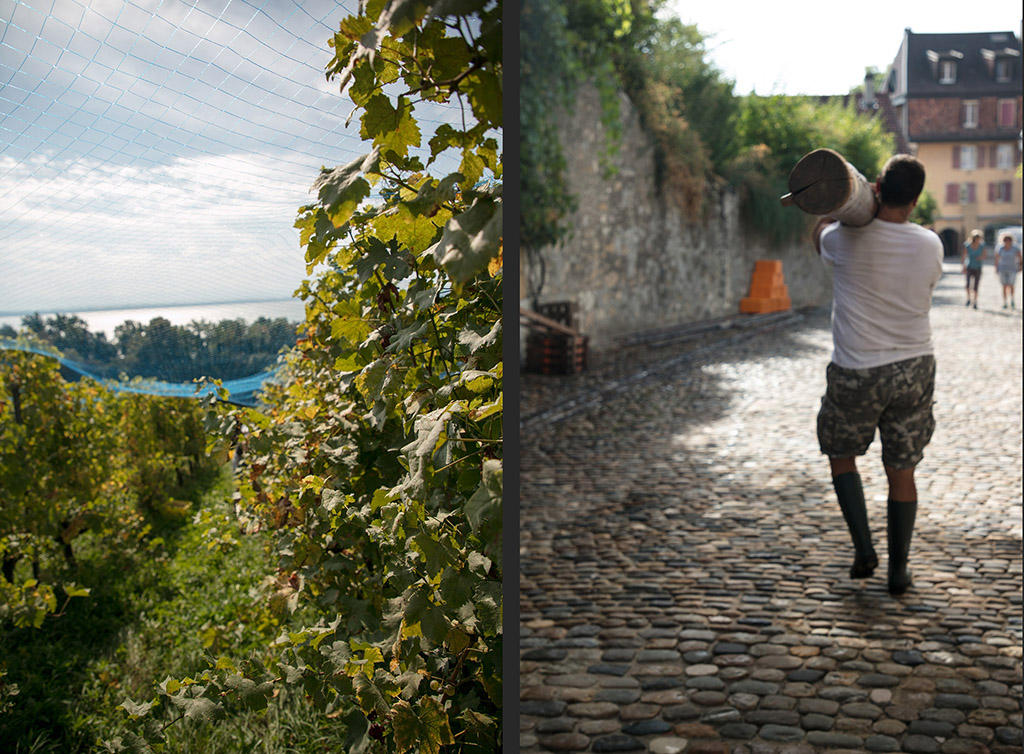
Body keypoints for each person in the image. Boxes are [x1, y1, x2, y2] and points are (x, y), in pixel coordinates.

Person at [812, 154, 944, 595]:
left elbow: (816, 235)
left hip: (857, 369)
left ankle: (864, 547)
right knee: (902, 470)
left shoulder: (843, 240)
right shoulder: (930, 244)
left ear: (879, 188)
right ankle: (899, 570)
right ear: (916, 199)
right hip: (914, 366)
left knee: (840, 453)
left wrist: (838, 205)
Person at [994, 233, 1022, 309]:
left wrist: (1020, 266)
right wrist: (996, 268)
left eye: (1009, 240)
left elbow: (1020, 257)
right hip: (1002, 269)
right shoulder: (1000, 248)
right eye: (1006, 240)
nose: (1007, 242)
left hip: (1012, 269)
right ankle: (1005, 302)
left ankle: (1012, 300)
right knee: (1004, 286)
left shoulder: (1015, 248)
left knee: (1011, 285)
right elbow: (997, 259)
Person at [961, 230, 987, 309]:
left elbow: (984, 255)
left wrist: (980, 258)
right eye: (976, 238)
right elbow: (964, 256)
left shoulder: (982, 245)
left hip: (978, 267)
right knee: (968, 285)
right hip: (969, 266)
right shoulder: (967, 245)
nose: (977, 239)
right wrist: (963, 266)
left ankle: (975, 301)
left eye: (978, 238)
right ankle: (968, 298)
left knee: (976, 285)